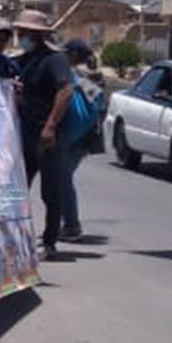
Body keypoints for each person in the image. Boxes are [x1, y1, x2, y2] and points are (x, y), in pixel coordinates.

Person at [13, 10, 74, 261]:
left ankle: (50, 241)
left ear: (35, 34)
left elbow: (65, 90)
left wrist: (50, 126)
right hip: (23, 136)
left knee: (51, 192)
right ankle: (17, 241)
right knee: (19, 191)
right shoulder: (23, 60)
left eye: (24, 32)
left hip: (46, 137)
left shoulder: (55, 60)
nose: (20, 36)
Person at [59, 39, 106, 241]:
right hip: (83, 136)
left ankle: (71, 225)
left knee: (63, 180)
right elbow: (101, 109)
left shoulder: (77, 75)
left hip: (72, 137)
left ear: (73, 54)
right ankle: (68, 223)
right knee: (63, 179)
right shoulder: (95, 77)